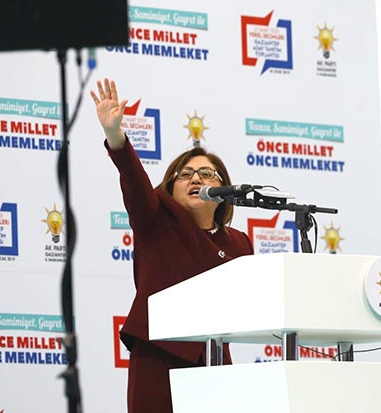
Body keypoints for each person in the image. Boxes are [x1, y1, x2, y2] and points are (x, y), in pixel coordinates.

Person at [90, 78, 254, 412]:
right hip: (159, 355)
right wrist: (115, 137)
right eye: (185, 174)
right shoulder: (156, 219)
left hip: (214, 358)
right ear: (170, 187)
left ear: (224, 190)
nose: (196, 179)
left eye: (207, 174)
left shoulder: (239, 243)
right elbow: (134, 181)